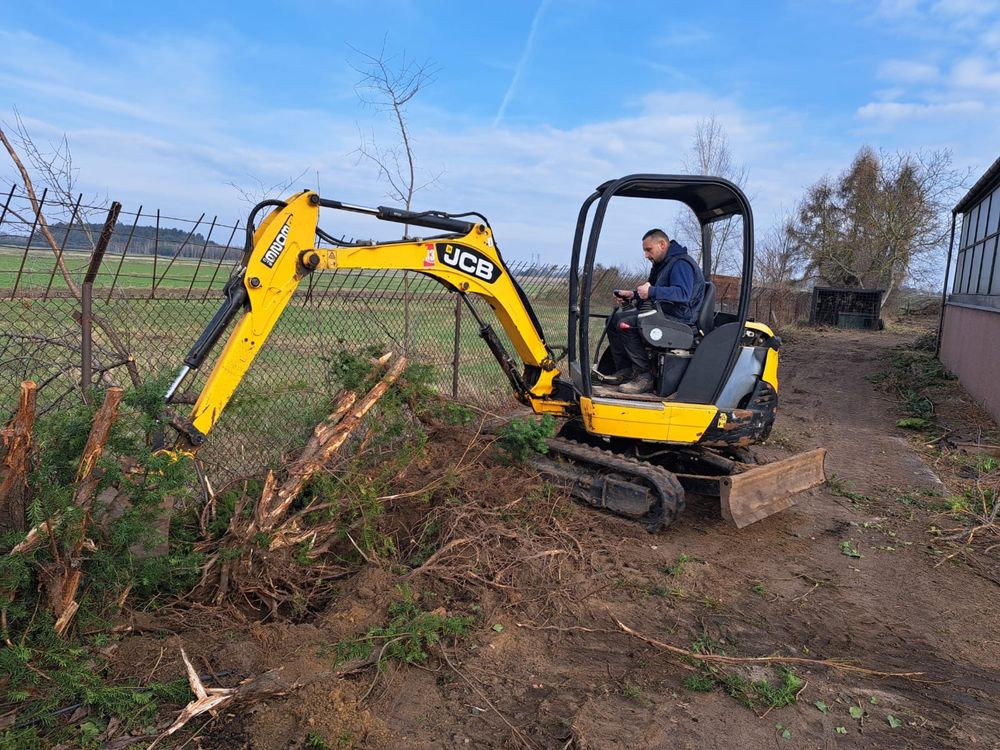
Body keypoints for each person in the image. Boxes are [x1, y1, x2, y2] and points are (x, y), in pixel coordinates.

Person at [605, 228, 705, 394]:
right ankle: (625, 370)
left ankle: (644, 377)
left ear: (662, 244)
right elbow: (655, 289)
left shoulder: (681, 264)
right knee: (614, 319)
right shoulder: (663, 265)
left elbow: (683, 294)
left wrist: (651, 292)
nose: (646, 255)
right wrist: (633, 295)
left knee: (627, 324)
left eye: (648, 250)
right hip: (663, 312)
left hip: (680, 318)